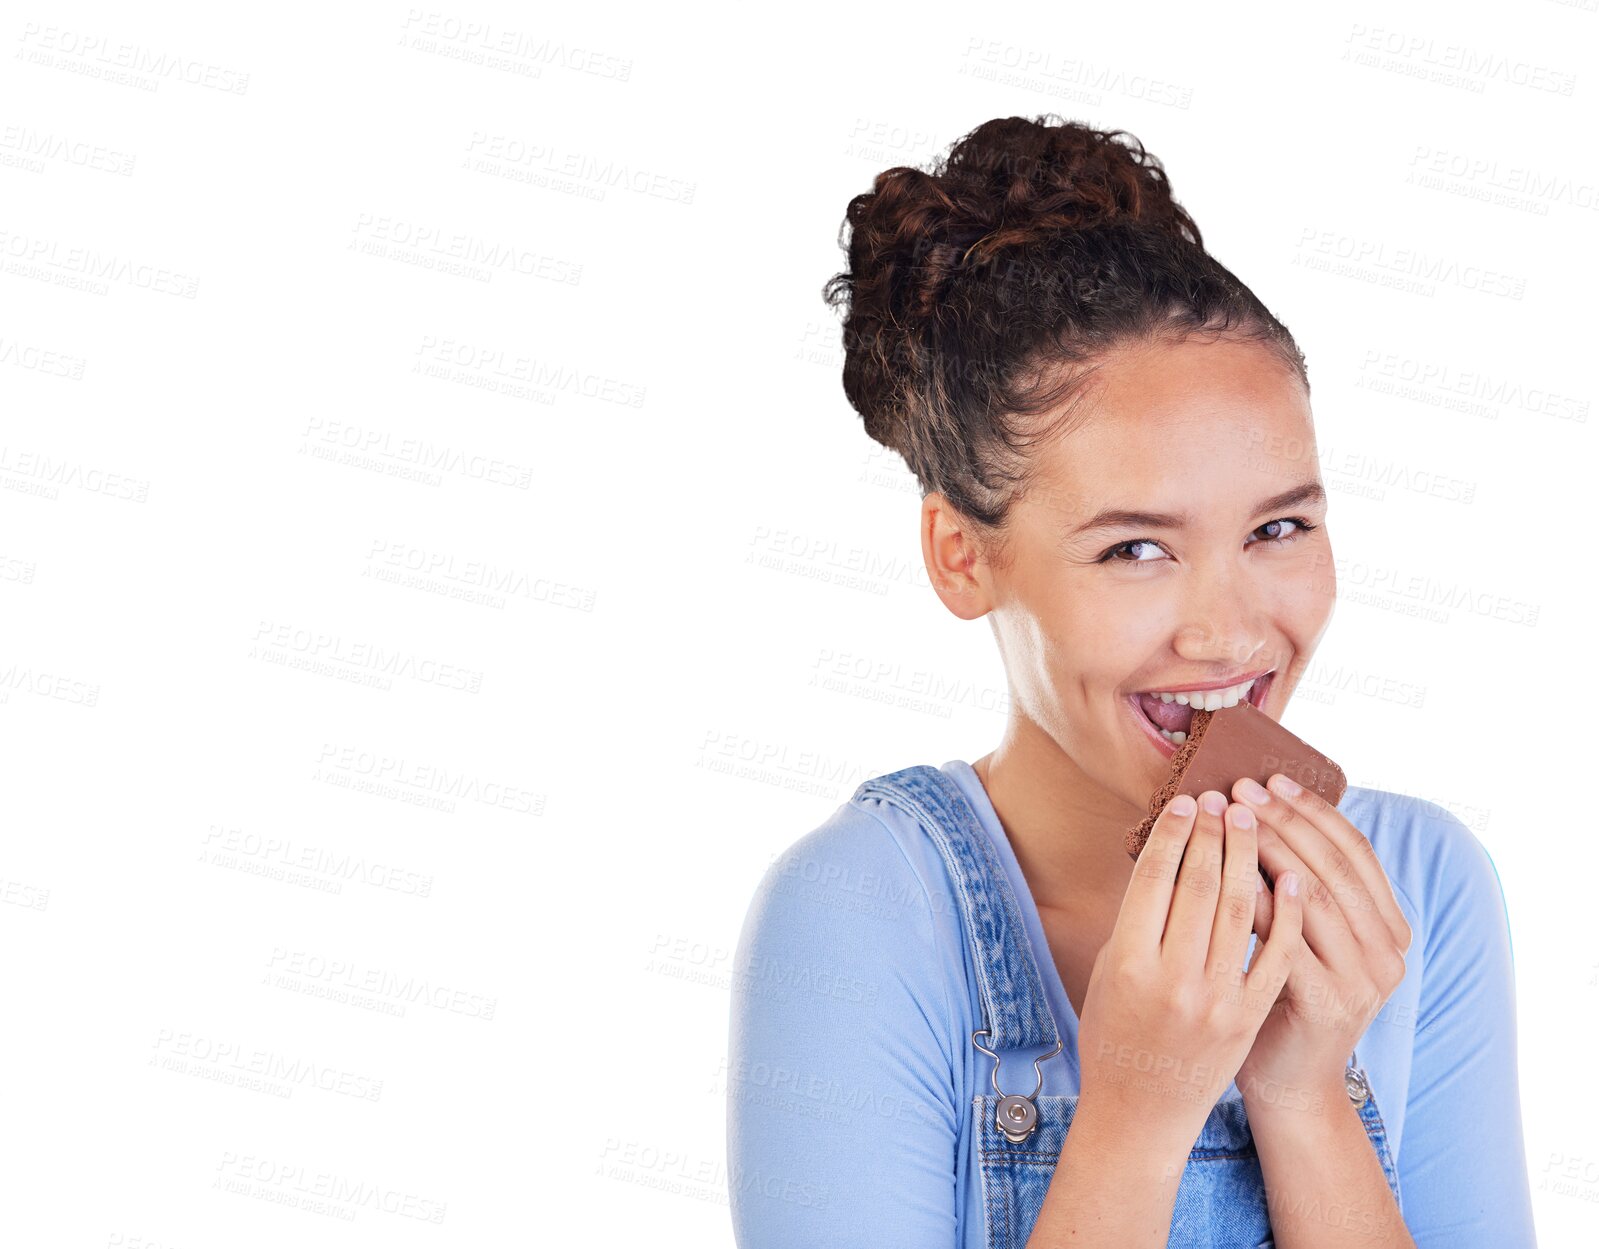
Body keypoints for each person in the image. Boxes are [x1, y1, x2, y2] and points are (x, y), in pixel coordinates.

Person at [724, 115, 1535, 1248]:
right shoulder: (863, 914)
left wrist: (1304, 1095)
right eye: (1135, 549)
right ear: (963, 555)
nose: (1230, 631)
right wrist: (1136, 1110)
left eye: (1280, 526)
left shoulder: (1422, 889)